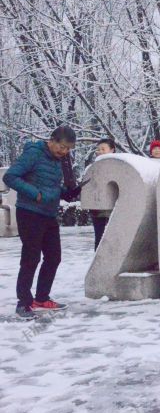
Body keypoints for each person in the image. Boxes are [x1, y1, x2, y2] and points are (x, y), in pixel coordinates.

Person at [2, 126, 84, 319]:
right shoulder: (34, 154)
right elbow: (10, 176)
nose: (64, 152)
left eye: (68, 149)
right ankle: (24, 303)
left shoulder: (57, 161)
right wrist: (35, 194)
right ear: (52, 140)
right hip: (29, 213)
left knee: (54, 257)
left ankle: (42, 298)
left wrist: (67, 192)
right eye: (62, 147)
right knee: (31, 258)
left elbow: (51, 185)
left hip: (48, 214)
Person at [91, 138, 116, 250]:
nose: (100, 151)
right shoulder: (93, 167)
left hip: (115, 210)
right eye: (98, 149)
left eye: (103, 149)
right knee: (99, 239)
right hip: (98, 210)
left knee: (115, 238)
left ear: (112, 150)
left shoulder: (119, 167)